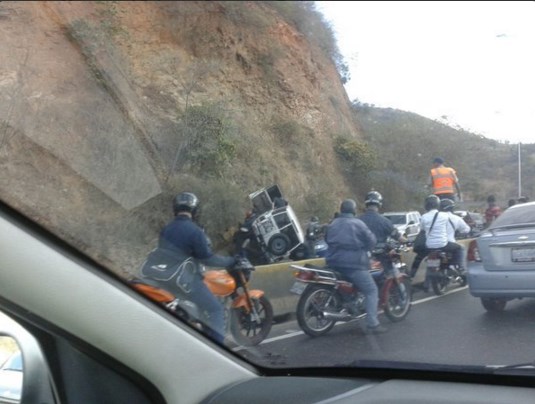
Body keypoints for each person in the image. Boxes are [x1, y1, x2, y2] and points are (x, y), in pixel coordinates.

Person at [144, 192, 236, 344]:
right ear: (195, 210)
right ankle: (217, 349)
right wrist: (230, 261)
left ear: (175, 207)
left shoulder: (166, 229)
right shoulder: (195, 231)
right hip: (184, 281)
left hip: (164, 276)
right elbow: (207, 258)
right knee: (215, 309)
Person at [324, 198, 386, 334]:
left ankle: (349, 303)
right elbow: (371, 241)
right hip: (353, 264)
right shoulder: (358, 223)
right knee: (371, 290)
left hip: (332, 261)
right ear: (353, 210)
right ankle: (373, 323)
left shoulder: (332, 223)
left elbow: (327, 239)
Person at [359, 190, 408, 278]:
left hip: (361, 257)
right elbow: (398, 237)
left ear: (366, 204)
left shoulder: (358, 220)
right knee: (393, 273)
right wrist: (407, 241)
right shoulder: (384, 221)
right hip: (380, 257)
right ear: (379, 204)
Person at [439, 199, 471, 266]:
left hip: (432, 246)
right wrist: (460, 233)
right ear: (451, 208)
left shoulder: (433, 218)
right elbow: (466, 229)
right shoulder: (455, 218)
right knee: (461, 248)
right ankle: (461, 268)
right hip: (448, 244)